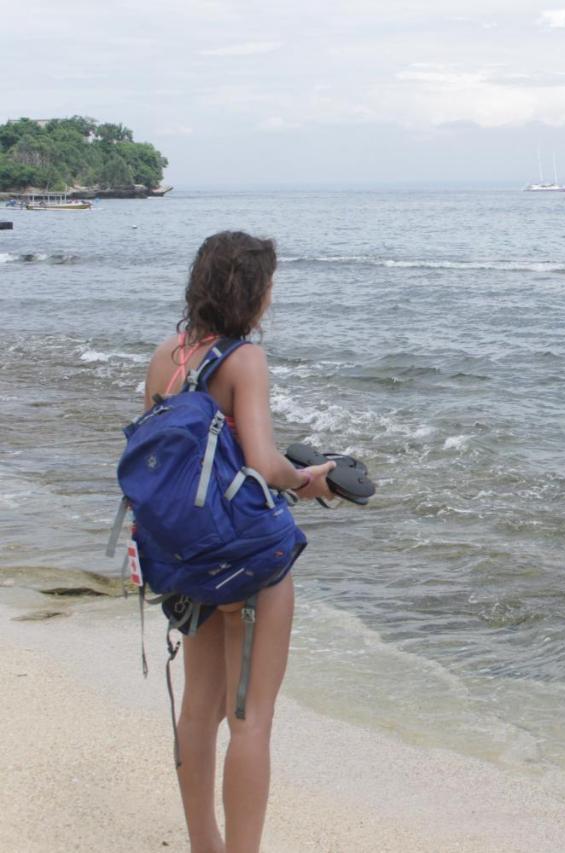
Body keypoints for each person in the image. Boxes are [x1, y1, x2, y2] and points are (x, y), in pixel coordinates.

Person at [140, 231, 334, 853]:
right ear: (253, 292)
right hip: (247, 561)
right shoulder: (243, 359)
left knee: (199, 711)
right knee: (251, 723)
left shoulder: (166, 353)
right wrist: (308, 480)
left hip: (184, 557)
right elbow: (262, 462)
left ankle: (205, 845)